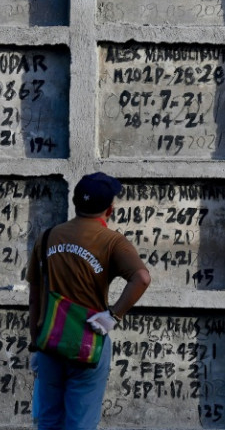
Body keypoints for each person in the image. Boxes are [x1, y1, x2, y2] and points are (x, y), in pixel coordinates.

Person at [27, 172, 151, 430]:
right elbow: (141, 278)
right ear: (110, 209)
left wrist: (34, 344)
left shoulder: (48, 237)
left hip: (50, 342)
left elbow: (35, 296)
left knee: (48, 420)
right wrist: (113, 316)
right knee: (80, 423)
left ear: (74, 202)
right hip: (88, 343)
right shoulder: (112, 241)